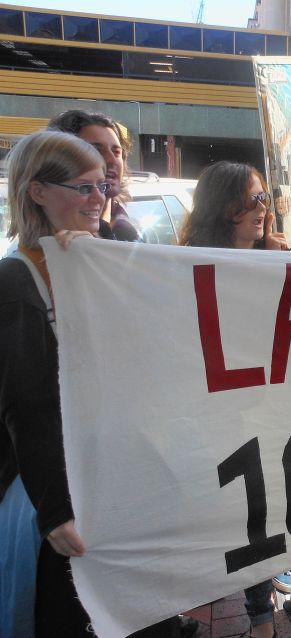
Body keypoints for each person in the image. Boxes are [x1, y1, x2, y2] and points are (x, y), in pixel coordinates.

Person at [181, 162, 291, 638]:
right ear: (223, 205)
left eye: (265, 198)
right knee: (251, 519)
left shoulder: (274, 256)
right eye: (253, 200)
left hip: (275, 409)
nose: (263, 208)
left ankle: (276, 595)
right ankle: (259, 618)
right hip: (225, 416)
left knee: (275, 513)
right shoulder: (186, 263)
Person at [0, 130, 107, 638]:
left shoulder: (90, 260)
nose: (98, 199)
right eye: (83, 188)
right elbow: (28, 405)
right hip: (50, 492)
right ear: (37, 190)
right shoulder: (15, 281)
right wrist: (55, 510)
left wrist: (96, 267)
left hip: (97, 474)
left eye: (102, 186)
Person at [47, 109, 140, 242]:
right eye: (96, 150)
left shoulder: (132, 235)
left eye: (116, 152)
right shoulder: (49, 245)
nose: (112, 160)